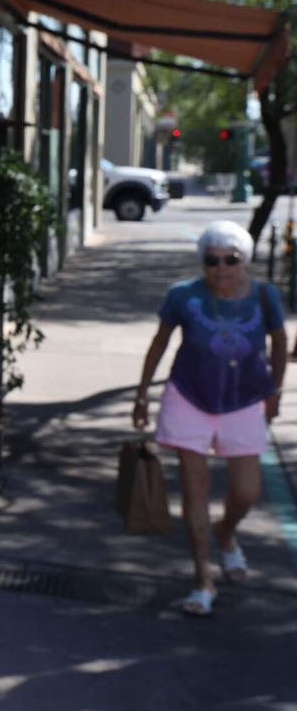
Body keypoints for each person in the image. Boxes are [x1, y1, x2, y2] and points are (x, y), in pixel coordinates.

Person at [133, 220, 286, 616]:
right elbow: (160, 343)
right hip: (188, 397)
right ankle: (203, 580)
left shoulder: (265, 297)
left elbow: (281, 342)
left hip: (243, 401)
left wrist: (275, 390)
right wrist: (141, 394)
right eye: (212, 260)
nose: (221, 267)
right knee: (194, 490)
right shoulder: (183, 296)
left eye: (230, 259)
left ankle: (226, 533)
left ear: (244, 260)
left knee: (247, 491)